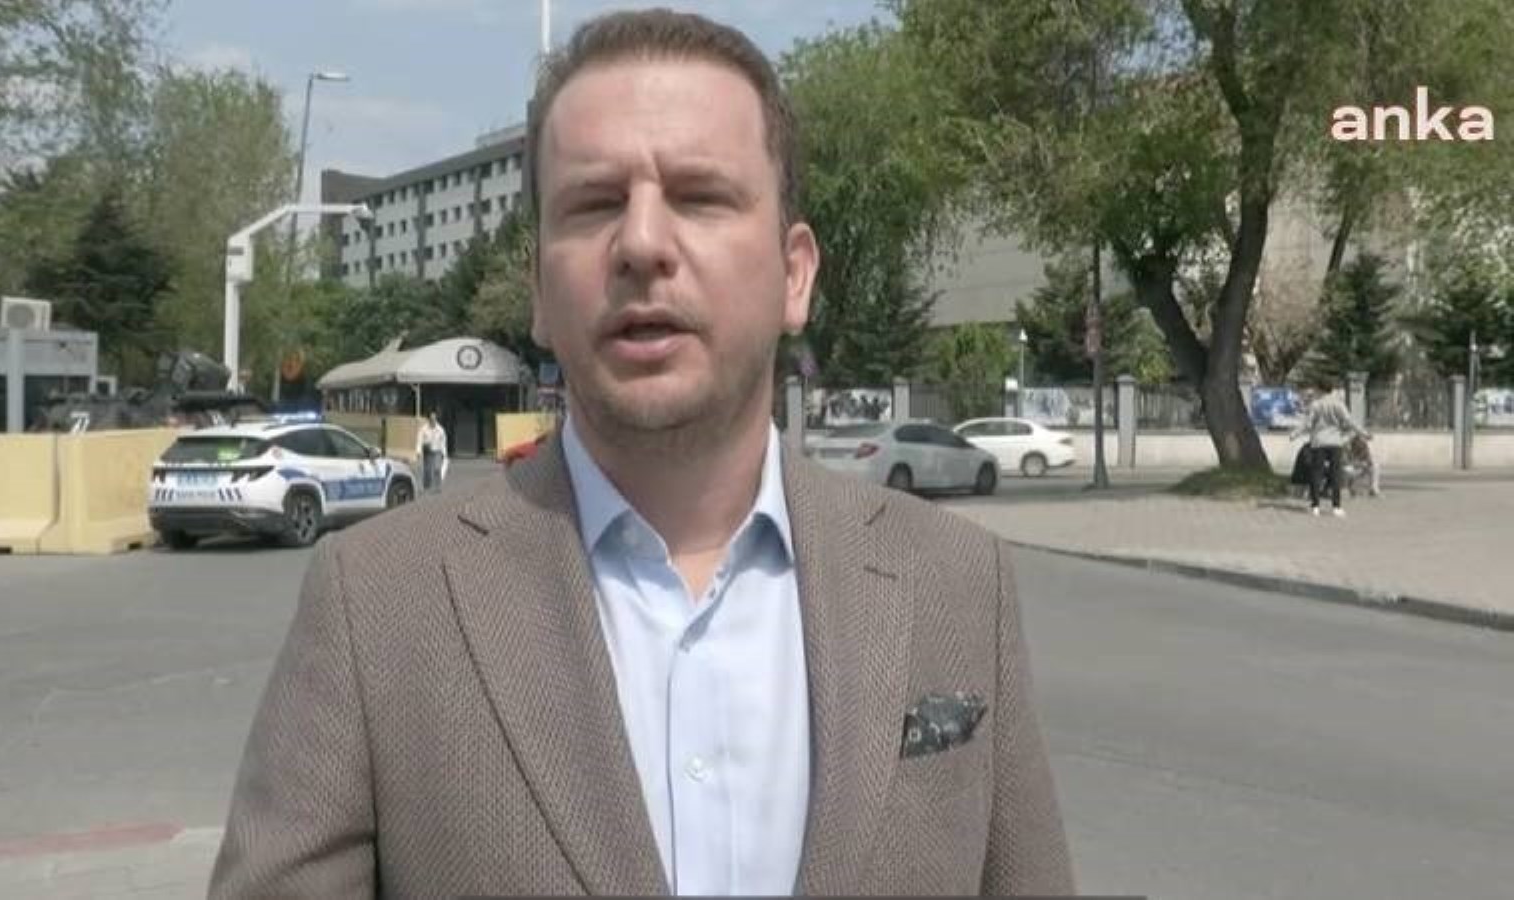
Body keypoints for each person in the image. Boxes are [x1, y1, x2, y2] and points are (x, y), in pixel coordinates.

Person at [210, 10, 1072, 898]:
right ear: (539, 289)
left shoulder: (957, 583)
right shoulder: (375, 602)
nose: (644, 244)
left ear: (795, 274)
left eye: (699, 196)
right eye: (594, 204)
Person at [1292, 380, 1369, 517]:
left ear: (1319, 389)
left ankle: (1315, 506)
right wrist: (1363, 432)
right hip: (1335, 442)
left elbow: (1308, 424)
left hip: (1318, 442)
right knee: (1335, 474)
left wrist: (1295, 433)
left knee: (1316, 473)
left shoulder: (1316, 404)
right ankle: (1336, 506)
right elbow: (1349, 421)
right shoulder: (1338, 404)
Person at [415, 411, 447, 493]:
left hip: (437, 451)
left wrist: (444, 453)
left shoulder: (440, 429)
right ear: (429, 419)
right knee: (427, 470)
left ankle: (437, 487)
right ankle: (426, 486)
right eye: (431, 418)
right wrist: (418, 451)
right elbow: (419, 440)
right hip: (427, 451)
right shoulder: (423, 429)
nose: (433, 420)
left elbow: (443, 442)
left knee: (437, 468)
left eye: (434, 418)